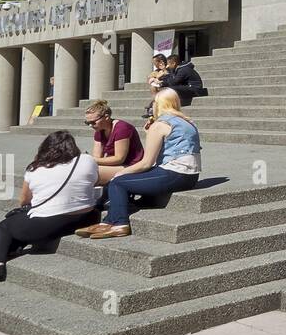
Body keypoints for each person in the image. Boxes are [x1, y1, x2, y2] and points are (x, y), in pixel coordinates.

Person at [79, 89, 202, 239]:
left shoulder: (160, 125)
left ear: (159, 104)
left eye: (153, 103)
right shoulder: (187, 122)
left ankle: (119, 224)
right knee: (127, 179)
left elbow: (147, 163)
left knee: (118, 182)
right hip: (190, 175)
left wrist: (122, 173)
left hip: (174, 173)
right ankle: (107, 222)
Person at [0, 130, 98, 283]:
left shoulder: (34, 169)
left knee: (4, 226)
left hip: (45, 227)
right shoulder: (86, 160)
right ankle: (10, 247)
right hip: (86, 217)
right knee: (30, 223)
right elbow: (94, 181)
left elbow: (24, 201)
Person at [85, 100, 145, 186]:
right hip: (118, 165)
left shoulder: (122, 128)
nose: (90, 126)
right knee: (83, 169)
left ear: (106, 117)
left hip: (132, 166)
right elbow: (97, 157)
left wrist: (90, 160)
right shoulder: (99, 130)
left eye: (93, 122)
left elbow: (119, 158)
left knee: (89, 173)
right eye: (87, 123)